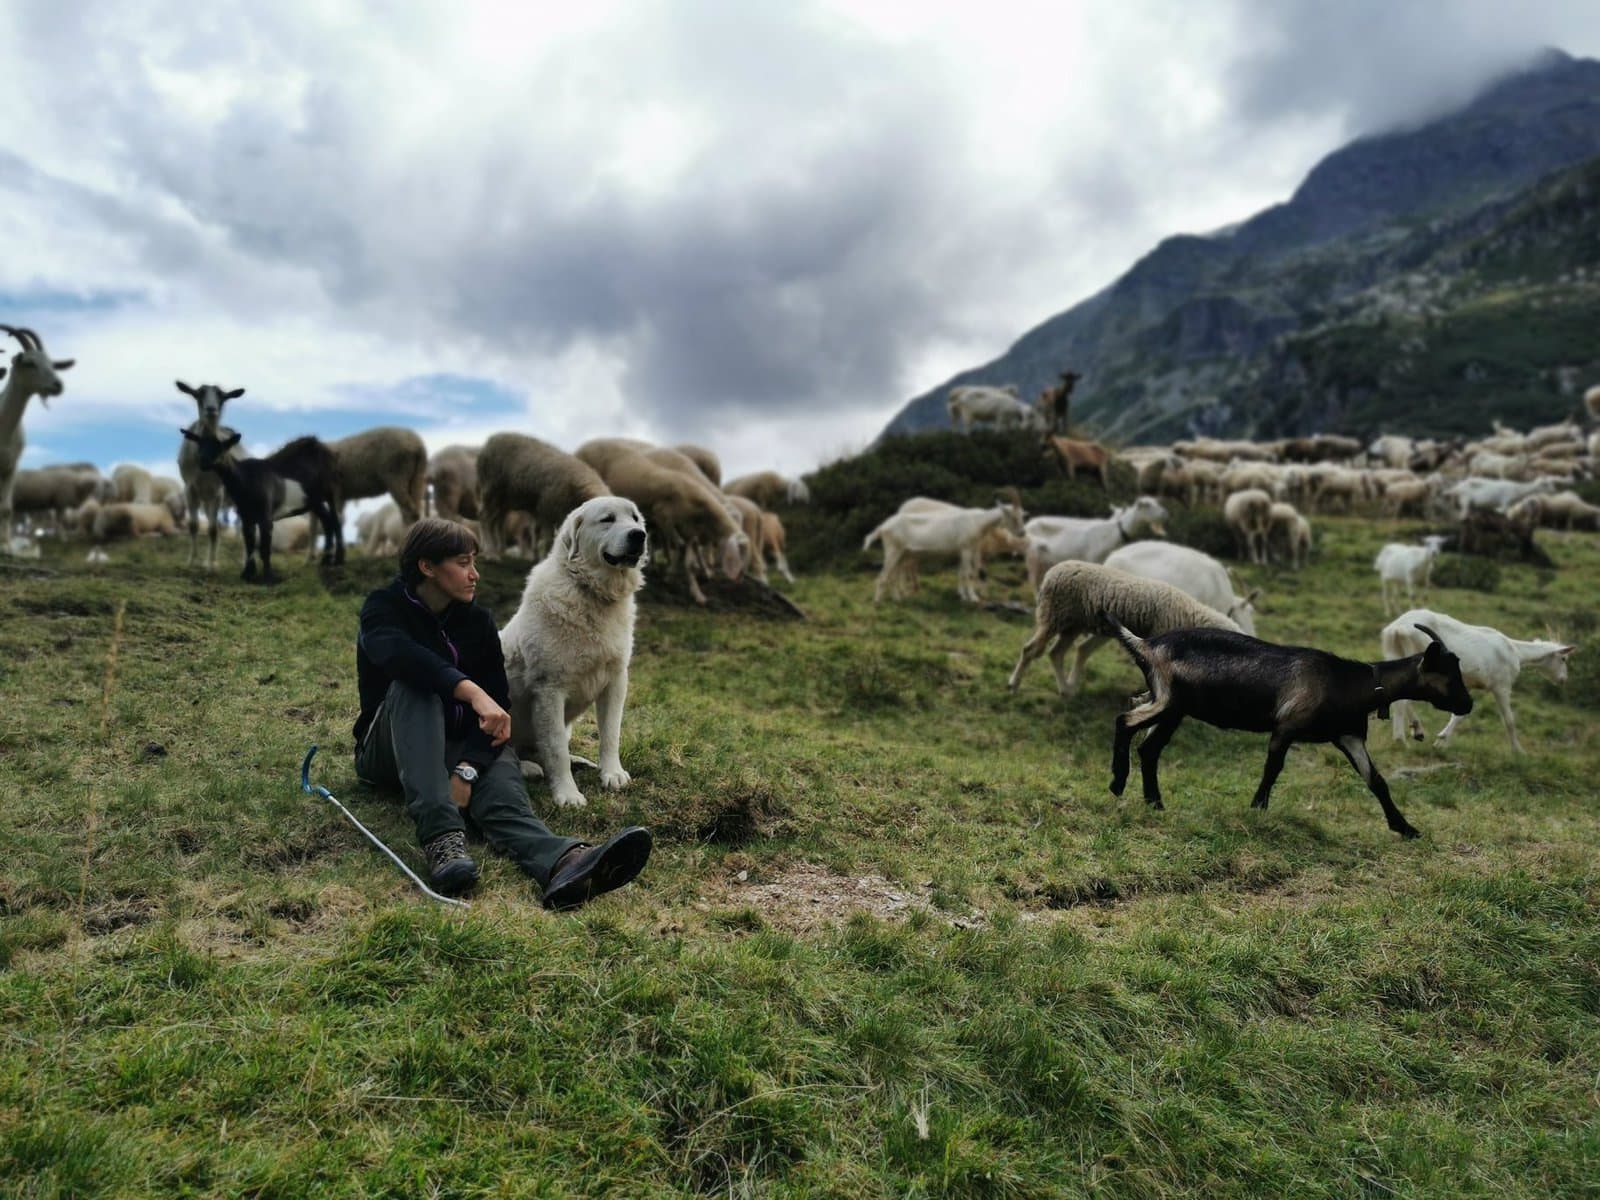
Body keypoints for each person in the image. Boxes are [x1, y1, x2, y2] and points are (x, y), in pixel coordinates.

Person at [353, 517, 651, 908]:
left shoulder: (477, 621)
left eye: (475, 561)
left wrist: (468, 768)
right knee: (416, 687)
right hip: (389, 749)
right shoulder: (384, 607)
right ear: (426, 567)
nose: (475, 574)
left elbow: (498, 702)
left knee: (501, 785)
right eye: (462, 563)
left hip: (458, 747)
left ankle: (564, 862)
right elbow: (400, 656)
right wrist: (468, 690)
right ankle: (442, 837)